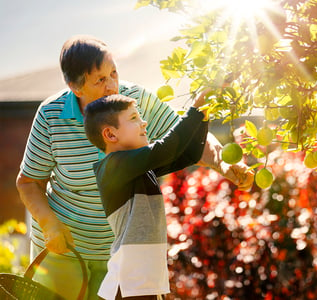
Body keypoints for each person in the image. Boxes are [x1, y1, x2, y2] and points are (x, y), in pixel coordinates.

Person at [16, 35, 254, 299]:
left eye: (114, 73)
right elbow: (28, 182)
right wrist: (50, 225)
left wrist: (224, 163)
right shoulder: (51, 115)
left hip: (119, 251)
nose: (112, 86)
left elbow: (184, 138)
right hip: (64, 249)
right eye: (100, 80)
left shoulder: (133, 103)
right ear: (76, 87)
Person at [83, 93, 208, 300]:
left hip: (145, 282)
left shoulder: (139, 169)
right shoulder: (112, 167)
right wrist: (195, 109)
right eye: (134, 118)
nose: (144, 123)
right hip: (130, 283)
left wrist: (203, 116)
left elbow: (189, 154)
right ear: (111, 134)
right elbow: (166, 150)